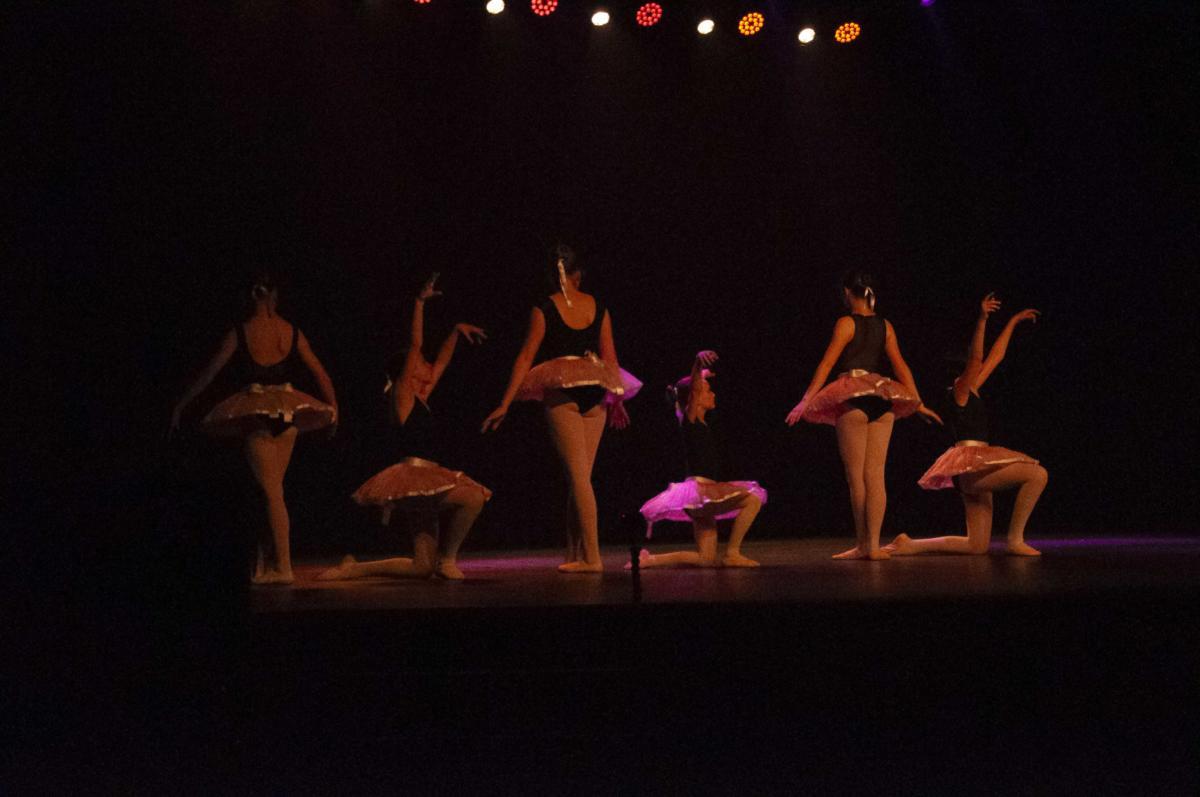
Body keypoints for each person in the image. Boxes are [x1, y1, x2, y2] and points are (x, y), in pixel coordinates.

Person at [320, 274, 491, 581]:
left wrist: (455, 331)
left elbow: (441, 364)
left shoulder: (420, 397)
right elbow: (416, 344)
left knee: (420, 566)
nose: (427, 365)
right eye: (420, 362)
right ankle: (447, 559)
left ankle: (355, 568)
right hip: (413, 477)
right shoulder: (402, 397)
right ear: (407, 370)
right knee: (473, 497)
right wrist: (419, 303)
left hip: (428, 479)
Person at [170, 274, 338, 584]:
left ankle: (284, 567)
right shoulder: (291, 331)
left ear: (251, 296)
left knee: (271, 492)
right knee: (270, 491)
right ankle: (264, 561)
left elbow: (210, 373)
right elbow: (321, 374)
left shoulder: (242, 332)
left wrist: (182, 404)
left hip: (258, 419)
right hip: (287, 418)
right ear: (273, 294)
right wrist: (334, 407)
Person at [482, 244, 632, 573]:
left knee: (578, 478)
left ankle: (592, 559)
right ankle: (574, 554)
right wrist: (617, 398)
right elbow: (611, 359)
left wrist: (505, 402)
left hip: (564, 392)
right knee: (581, 478)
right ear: (577, 274)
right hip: (596, 391)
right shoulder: (599, 306)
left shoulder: (544, 308)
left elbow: (525, 357)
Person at [785, 270, 941, 560]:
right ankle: (875, 546)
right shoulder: (886, 325)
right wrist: (917, 402)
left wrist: (805, 400)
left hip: (854, 396)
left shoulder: (846, 323)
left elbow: (826, 364)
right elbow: (901, 367)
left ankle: (863, 545)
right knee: (876, 476)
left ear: (847, 292)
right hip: (882, 399)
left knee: (856, 478)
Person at [888, 294, 1046, 556]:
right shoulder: (960, 391)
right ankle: (1015, 540)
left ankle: (910, 544)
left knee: (976, 545)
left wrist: (1013, 322)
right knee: (1038, 475)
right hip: (973, 468)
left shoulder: (970, 390)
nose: (977, 370)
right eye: (971, 369)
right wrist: (982, 319)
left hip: (974, 468)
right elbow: (977, 358)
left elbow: (995, 356)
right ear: (960, 373)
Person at [636, 351, 766, 568]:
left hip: (701, 497)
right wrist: (697, 364)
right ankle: (732, 553)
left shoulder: (694, 420)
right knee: (753, 498)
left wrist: (702, 375)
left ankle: (650, 560)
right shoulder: (691, 419)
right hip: (700, 493)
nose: (712, 394)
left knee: (705, 558)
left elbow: (692, 389)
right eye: (708, 391)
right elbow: (694, 390)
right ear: (694, 397)